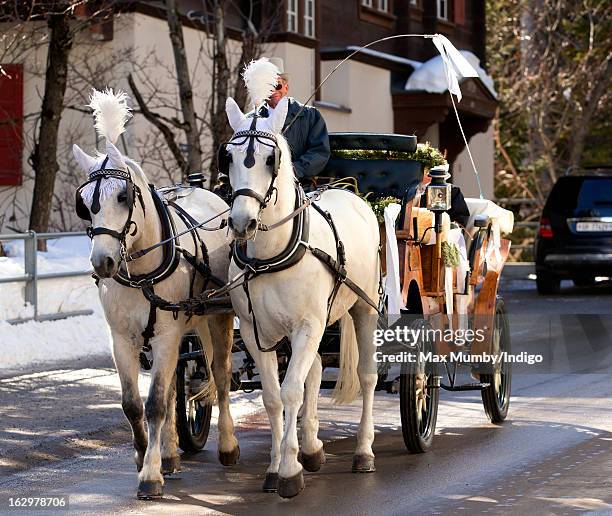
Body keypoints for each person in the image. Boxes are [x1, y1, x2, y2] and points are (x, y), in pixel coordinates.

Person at [215, 57, 330, 198]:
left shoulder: (310, 116)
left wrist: (291, 172)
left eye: (278, 86)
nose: (274, 91)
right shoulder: (250, 121)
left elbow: (319, 152)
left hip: (300, 187)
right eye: (268, 86)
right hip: (258, 191)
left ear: (286, 88)